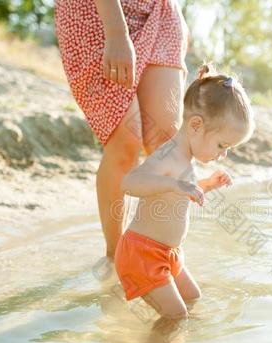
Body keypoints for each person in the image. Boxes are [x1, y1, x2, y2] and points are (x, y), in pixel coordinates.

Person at [54, 0, 190, 267]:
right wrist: (116, 32)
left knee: (167, 146)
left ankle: (160, 257)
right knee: (125, 143)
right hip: (95, 12)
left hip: (160, 12)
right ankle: (118, 259)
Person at [115, 63, 255, 319]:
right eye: (222, 145)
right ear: (195, 126)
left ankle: (175, 342)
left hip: (168, 253)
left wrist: (206, 185)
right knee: (176, 314)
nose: (223, 154)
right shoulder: (168, 156)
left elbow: (179, 194)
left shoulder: (185, 160)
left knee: (193, 298)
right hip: (142, 253)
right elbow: (130, 183)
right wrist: (175, 184)